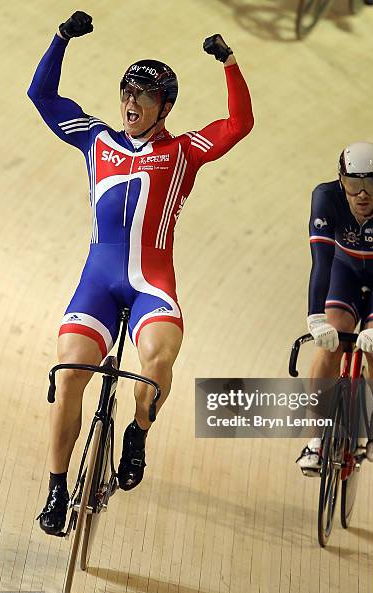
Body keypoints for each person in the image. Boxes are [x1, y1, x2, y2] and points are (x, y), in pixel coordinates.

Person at [28, 11, 254, 535]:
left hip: (151, 283)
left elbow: (238, 123)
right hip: (98, 283)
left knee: (157, 355)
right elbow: (42, 95)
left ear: (165, 108)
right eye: (127, 93)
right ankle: (57, 486)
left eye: (144, 98)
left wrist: (230, 63)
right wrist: (60, 38)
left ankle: (138, 432)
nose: (131, 104)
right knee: (68, 379)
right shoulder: (95, 138)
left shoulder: (183, 152)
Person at [297, 142, 373, 475]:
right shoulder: (325, 197)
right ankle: (314, 440)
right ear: (340, 182)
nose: (362, 195)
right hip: (343, 272)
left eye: (371, 185)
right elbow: (320, 262)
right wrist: (316, 317)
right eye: (353, 186)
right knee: (329, 344)